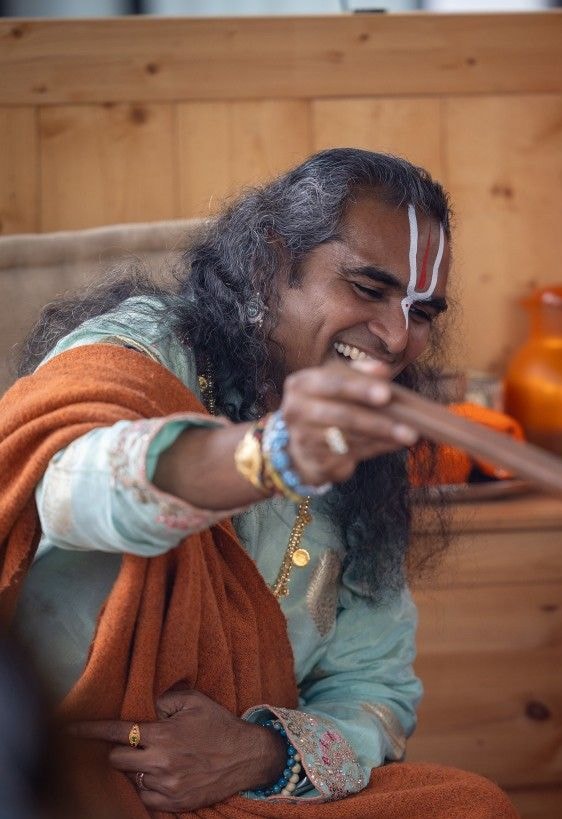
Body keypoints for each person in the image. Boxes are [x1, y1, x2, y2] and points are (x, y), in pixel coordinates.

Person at [0, 148, 519, 818]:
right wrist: (268, 456)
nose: (395, 336)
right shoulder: (137, 354)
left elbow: (375, 686)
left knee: (470, 805)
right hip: (61, 776)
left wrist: (258, 752)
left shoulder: (368, 452)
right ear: (270, 262)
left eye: (422, 312)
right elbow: (69, 490)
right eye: (368, 289)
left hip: (232, 788)